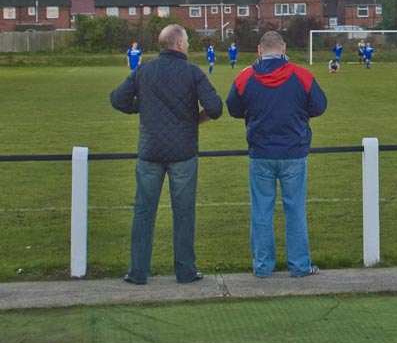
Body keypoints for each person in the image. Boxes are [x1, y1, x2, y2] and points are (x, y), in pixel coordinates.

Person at [109, 24, 222, 285]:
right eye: (188, 43)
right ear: (180, 44)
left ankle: (137, 271)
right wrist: (197, 119)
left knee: (143, 211)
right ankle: (185, 271)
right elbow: (215, 107)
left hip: (149, 151)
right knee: (183, 213)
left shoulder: (144, 71)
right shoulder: (193, 72)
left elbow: (117, 99)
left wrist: (142, 108)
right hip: (183, 152)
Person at [226, 30, 328, 279]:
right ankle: (300, 266)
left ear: (259, 50)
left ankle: (262, 267)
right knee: (295, 211)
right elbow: (320, 105)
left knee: (261, 211)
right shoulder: (301, 74)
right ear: (283, 48)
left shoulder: (245, 76)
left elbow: (232, 107)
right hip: (293, 151)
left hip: (261, 152)